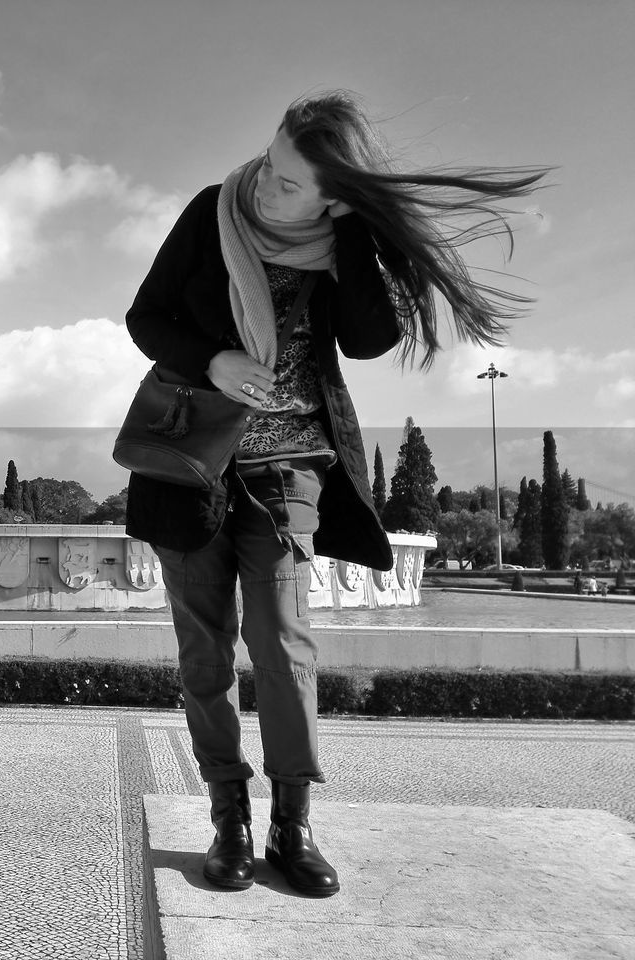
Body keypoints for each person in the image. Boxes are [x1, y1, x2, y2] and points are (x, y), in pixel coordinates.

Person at [123, 90, 547, 897]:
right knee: (205, 652)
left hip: (291, 465)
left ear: (334, 195)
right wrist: (212, 360)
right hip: (190, 467)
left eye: (292, 184)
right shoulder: (213, 212)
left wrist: (352, 229)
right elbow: (145, 318)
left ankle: (292, 821)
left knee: (284, 644)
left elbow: (366, 338)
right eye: (273, 164)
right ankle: (229, 817)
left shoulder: (339, 237)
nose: (267, 187)